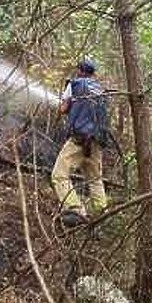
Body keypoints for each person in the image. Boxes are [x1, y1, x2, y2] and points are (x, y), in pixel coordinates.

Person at [51, 59, 109, 226]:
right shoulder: (100, 90)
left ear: (80, 71)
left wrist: (62, 104)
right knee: (95, 179)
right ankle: (101, 216)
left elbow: (63, 108)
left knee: (59, 175)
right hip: (97, 141)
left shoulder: (75, 84)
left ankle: (75, 210)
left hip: (79, 139)